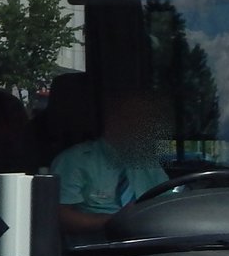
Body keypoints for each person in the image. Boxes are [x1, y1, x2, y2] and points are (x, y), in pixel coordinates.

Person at [50, 89, 170, 240]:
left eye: (146, 120)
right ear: (113, 120)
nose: (142, 126)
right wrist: (114, 221)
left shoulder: (147, 162)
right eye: (134, 118)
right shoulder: (74, 161)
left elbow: (169, 201)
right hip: (96, 254)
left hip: (150, 247)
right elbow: (60, 216)